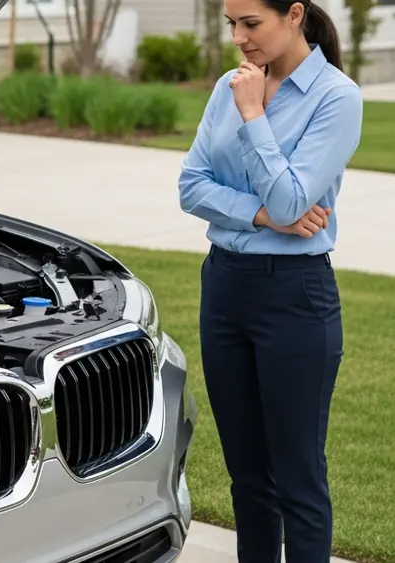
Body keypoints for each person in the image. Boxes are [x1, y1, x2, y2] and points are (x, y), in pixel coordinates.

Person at [177, 0, 363, 561]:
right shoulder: (227, 87)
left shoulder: (337, 98)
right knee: (248, 479)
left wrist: (254, 115)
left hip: (295, 297)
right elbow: (191, 186)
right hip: (225, 287)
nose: (238, 37)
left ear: (294, 15)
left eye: (250, 23)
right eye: (231, 23)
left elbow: (292, 199)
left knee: (298, 478)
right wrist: (261, 216)